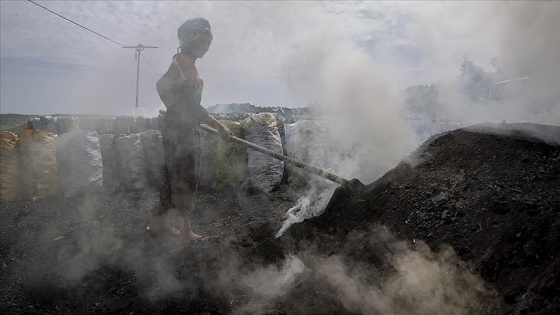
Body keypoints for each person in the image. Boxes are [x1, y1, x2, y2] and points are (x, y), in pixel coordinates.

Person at [147, 17, 234, 243]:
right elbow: (189, 104)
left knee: (172, 175)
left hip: (178, 127)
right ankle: (185, 232)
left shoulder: (184, 61)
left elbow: (164, 87)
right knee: (187, 177)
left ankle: (158, 223)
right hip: (181, 131)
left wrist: (172, 105)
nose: (206, 46)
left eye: (208, 42)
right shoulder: (184, 61)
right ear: (188, 39)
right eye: (202, 41)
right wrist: (220, 126)